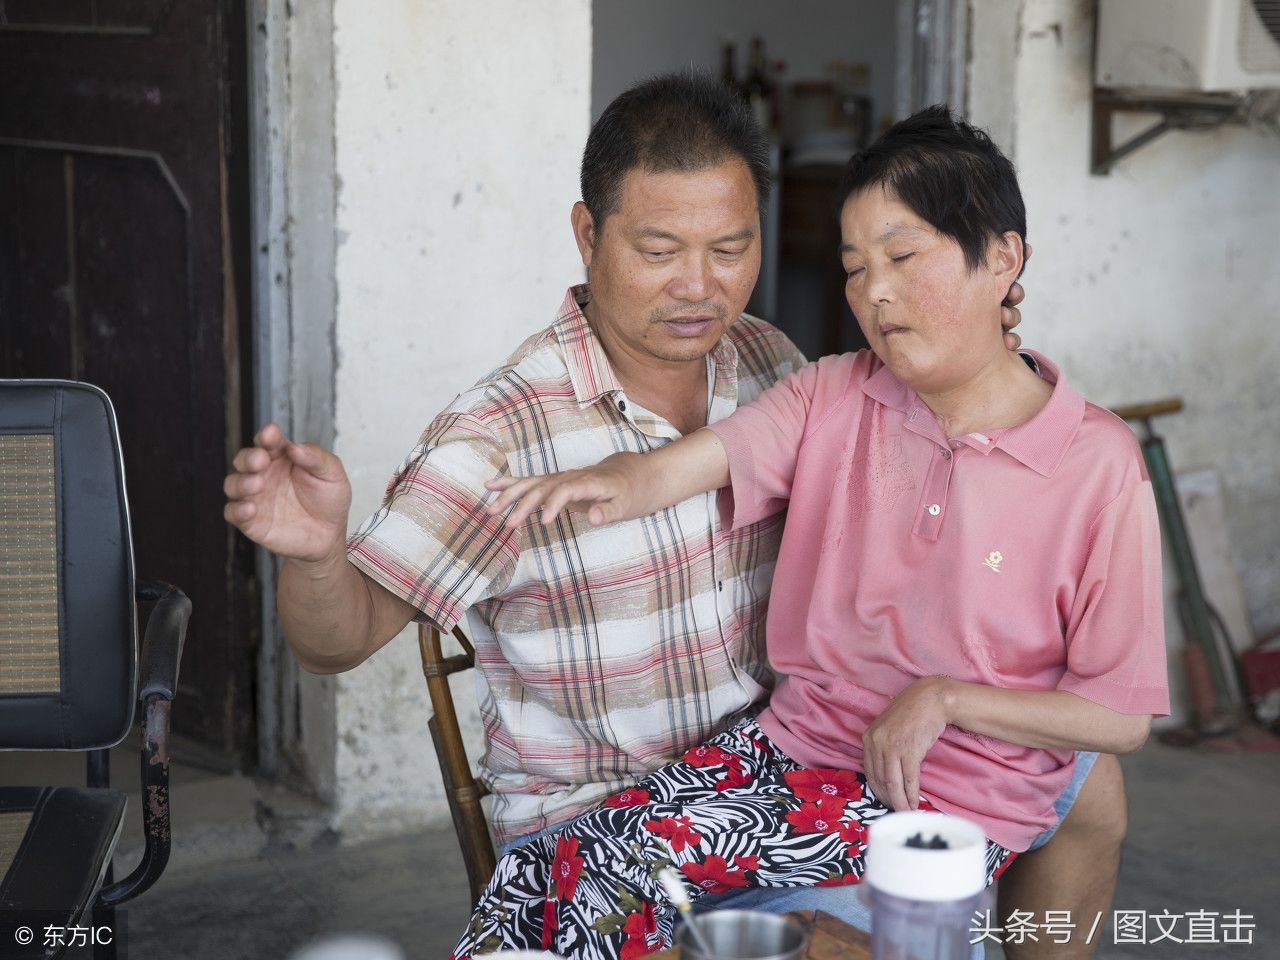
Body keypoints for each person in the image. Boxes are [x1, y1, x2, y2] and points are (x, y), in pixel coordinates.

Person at [223, 72, 1122, 953]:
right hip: (605, 824)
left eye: (730, 249)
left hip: (796, 772)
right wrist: (316, 558)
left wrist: (982, 328)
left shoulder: (771, 363)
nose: (699, 286)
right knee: (875, 930)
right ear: (588, 234)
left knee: (1087, 778)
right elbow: (336, 640)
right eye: (659, 252)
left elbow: (946, 456)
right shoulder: (501, 435)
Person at [451, 104, 1168, 960]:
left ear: (1004, 257)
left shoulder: (1097, 463)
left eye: (902, 257)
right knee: (571, 870)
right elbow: (697, 460)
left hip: (952, 795)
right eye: (855, 269)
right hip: (789, 758)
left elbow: (1118, 719)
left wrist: (942, 699)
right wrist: (613, 478)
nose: (875, 294)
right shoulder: (833, 395)